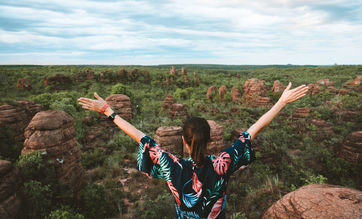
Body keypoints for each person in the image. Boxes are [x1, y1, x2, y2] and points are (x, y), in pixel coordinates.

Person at [78, 82, 308, 218]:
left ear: (183, 141)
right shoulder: (223, 163)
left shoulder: (173, 167)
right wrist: (281, 102)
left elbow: (141, 137)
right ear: (209, 140)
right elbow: (252, 130)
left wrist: (108, 111)